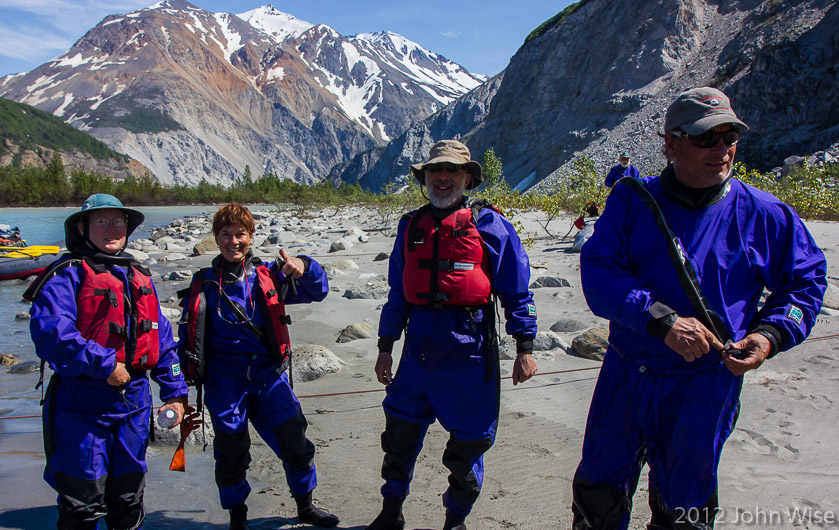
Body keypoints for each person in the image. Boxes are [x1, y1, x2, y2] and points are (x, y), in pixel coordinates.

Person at [572, 87, 827, 529]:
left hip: (704, 384)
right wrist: (662, 321)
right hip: (627, 372)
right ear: (670, 143)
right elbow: (598, 274)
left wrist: (769, 336)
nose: (722, 149)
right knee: (597, 494)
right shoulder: (631, 201)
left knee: (685, 509)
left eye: (730, 137)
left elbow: (806, 283)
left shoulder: (766, 214)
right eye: (707, 138)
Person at [367, 140, 538, 530]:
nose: (442, 178)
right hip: (418, 352)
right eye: (434, 171)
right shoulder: (410, 226)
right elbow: (398, 293)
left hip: (470, 353)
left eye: (452, 171)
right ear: (425, 178)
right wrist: (384, 347)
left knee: (469, 446)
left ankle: (455, 520)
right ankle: (391, 512)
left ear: (467, 178)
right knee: (398, 436)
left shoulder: (490, 225)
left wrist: (524, 347)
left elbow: (517, 290)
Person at [25, 193, 189, 530]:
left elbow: (162, 342)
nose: (111, 228)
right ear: (83, 227)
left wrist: (175, 391)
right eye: (102, 221)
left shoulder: (138, 275)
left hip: (134, 404)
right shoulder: (66, 274)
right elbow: (51, 334)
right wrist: (105, 365)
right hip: (81, 407)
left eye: (118, 221)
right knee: (81, 503)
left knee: (128, 498)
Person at [178, 203, 338, 530]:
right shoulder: (204, 283)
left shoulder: (269, 276)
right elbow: (186, 338)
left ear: (251, 237)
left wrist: (304, 265)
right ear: (216, 238)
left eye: (241, 234)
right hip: (225, 382)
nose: (233, 241)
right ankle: (238, 517)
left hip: (269, 376)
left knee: (295, 439)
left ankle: (305, 506)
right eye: (226, 235)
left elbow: (317, 290)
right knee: (231, 453)